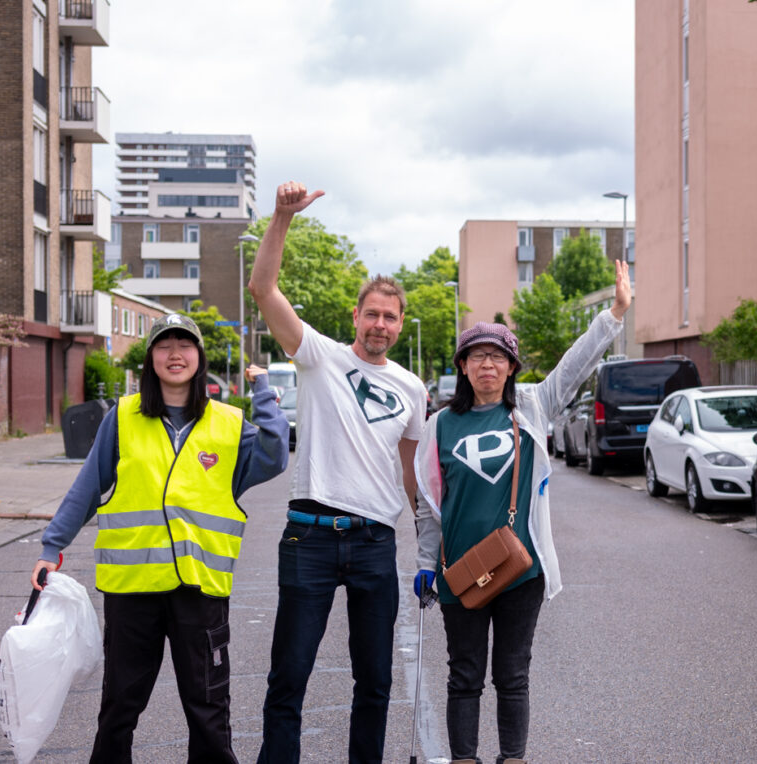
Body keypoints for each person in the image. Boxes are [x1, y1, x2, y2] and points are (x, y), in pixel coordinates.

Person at [29, 312, 288, 764]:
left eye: (184, 345)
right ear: (150, 358)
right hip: (132, 591)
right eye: (164, 345)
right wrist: (53, 547)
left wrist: (262, 390)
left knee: (208, 710)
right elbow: (88, 487)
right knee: (119, 708)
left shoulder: (228, 425)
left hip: (200, 589)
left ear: (199, 357)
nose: (175, 354)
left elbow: (274, 452)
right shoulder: (123, 417)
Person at [413, 261, 631, 764]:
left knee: (512, 674)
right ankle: (464, 758)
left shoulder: (531, 408)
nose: (486, 365)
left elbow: (574, 366)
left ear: (511, 367)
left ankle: (512, 758)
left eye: (497, 357)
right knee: (463, 675)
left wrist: (614, 314)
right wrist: (426, 565)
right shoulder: (440, 425)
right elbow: (429, 506)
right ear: (463, 367)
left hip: (520, 569)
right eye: (476, 357)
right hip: (459, 573)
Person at [248, 182, 428, 764]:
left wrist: (430, 545)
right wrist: (281, 218)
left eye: (390, 317)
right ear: (356, 315)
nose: (380, 324)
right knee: (289, 680)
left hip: (377, 543)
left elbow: (411, 473)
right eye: (371, 313)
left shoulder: (412, 388)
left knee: (375, 684)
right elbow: (263, 288)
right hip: (311, 538)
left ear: (401, 324)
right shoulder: (319, 356)